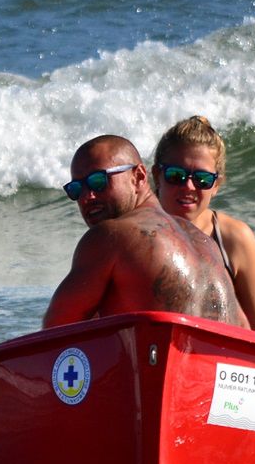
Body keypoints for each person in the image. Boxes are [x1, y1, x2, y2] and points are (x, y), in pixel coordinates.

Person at [43, 135, 239, 329]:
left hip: (159, 358)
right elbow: (242, 328)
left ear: (139, 176)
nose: (87, 196)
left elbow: (53, 334)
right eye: (76, 189)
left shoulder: (111, 235)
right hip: (219, 358)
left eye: (98, 181)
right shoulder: (206, 243)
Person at [152, 116, 255, 337]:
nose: (188, 186)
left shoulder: (234, 239)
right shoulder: (133, 234)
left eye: (202, 179)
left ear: (216, 185)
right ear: (156, 175)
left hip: (220, 365)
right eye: (176, 175)